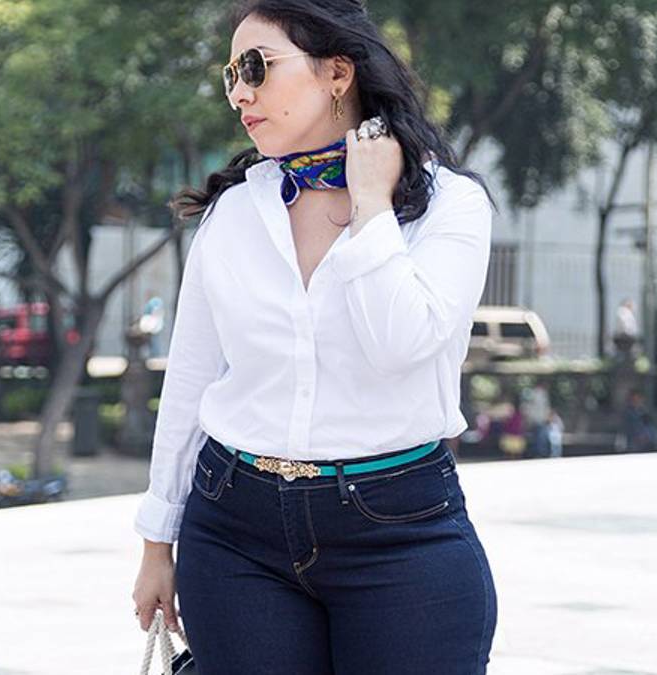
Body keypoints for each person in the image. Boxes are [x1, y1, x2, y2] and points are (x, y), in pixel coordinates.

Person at [131, 2, 498, 672]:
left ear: (337, 72)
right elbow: (191, 378)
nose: (239, 93)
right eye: (231, 76)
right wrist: (158, 542)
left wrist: (371, 206)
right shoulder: (236, 211)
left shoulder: (450, 206)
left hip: (398, 533)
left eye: (257, 67)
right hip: (234, 531)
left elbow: (399, 343)